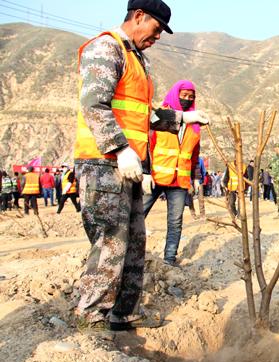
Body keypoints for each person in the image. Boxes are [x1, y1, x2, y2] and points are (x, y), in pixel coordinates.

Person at [73, 0, 208, 331]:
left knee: (133, 239)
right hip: (103, 163)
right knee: (110, 241)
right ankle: (90, 320)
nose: (158, 36)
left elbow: (142, 114)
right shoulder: (107, 48)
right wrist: (119, 149)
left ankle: (123, 313)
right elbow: (94, 104)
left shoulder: (137, 60)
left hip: (127, 166)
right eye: (157, 28)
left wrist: (180, 117)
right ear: (137, 17)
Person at [142, 80, 205, 265]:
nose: (186, 99)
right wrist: (145, 171)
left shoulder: (194, 124)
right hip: (156, 177)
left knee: (175, 221)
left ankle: (169, 259)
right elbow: (146, 143)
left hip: (179, 181)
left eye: (191, 97)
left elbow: (195, 153)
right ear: (175, 94)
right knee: (138, 215)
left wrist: (195, 177)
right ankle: (131, 253)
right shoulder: (160, 117)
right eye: (183, 95)